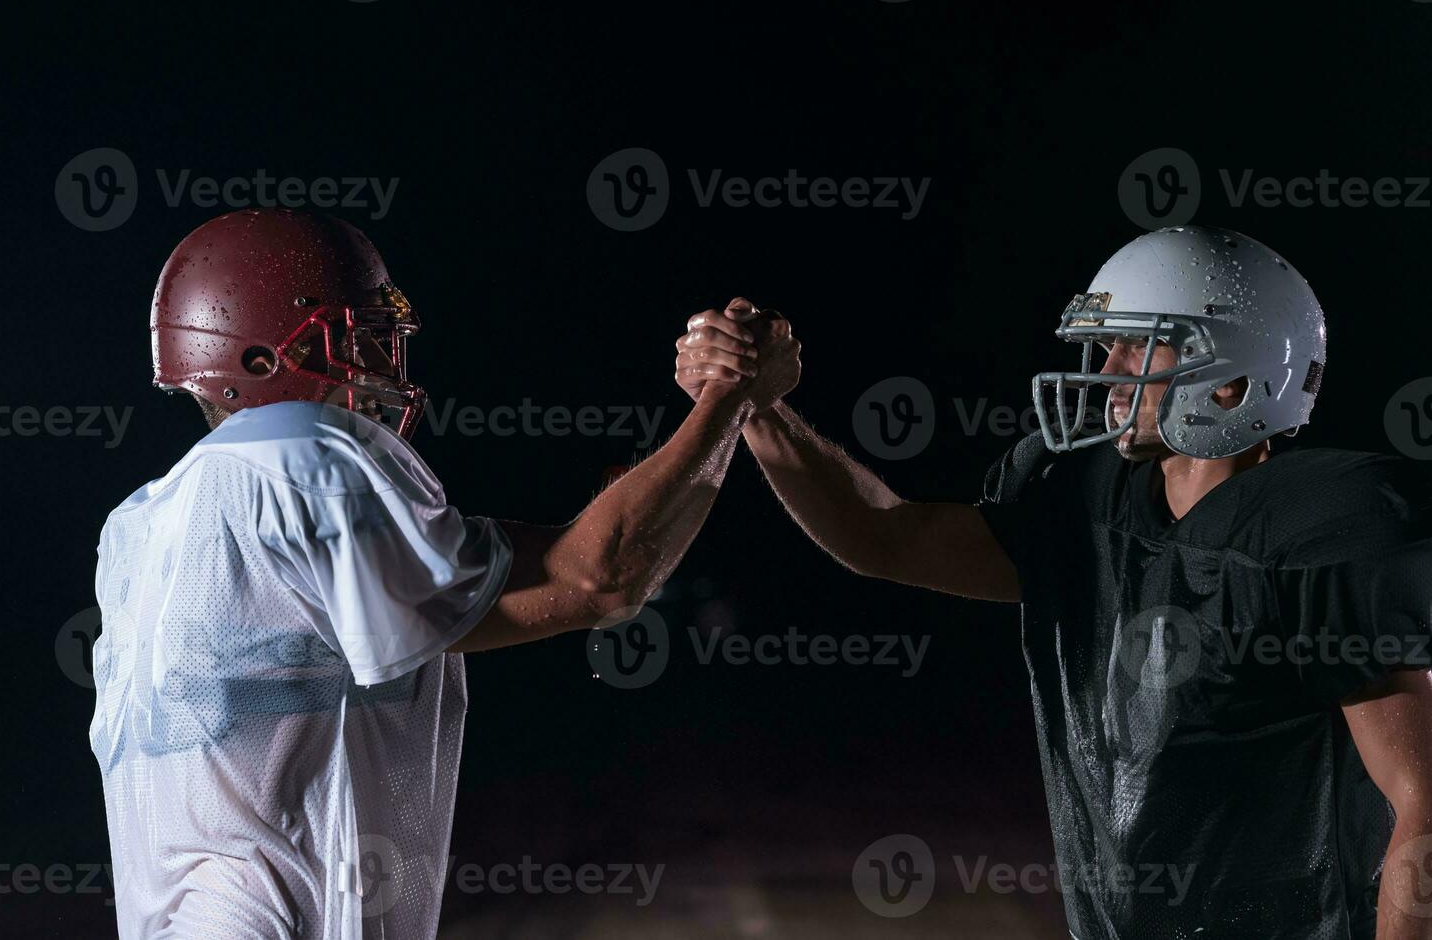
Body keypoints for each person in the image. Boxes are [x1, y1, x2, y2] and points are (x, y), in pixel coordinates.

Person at [676, 226, 1432, 940]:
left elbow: (1424, 803)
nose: (1104, 373)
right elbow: (884, 536)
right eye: (1104, 347)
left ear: (1232, 383)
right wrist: (755, 406)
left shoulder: (1325, 534)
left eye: (1135, 349)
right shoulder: (1085, 500)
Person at [88, 208, 799, 939]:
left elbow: (586, 562)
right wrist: (731, 393)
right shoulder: (302, 453)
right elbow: (600, 577)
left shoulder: (137, 527)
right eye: (357, 340)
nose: (378, 367)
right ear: (264, 357)